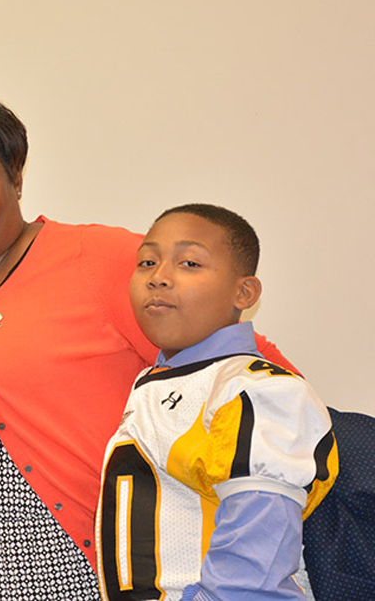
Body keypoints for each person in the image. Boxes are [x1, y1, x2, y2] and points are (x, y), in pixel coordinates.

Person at [0, 86, 294, 600]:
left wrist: (231, 576)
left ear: (16, 176)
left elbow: (255, 384)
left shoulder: (95, 261)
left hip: (72, 581)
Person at [96, 204, 337, 601]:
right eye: (147, 262)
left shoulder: (255, 390)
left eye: (189, 263)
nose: (158, 277)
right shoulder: (155, 382)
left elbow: (251, 576)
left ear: (244, 292)